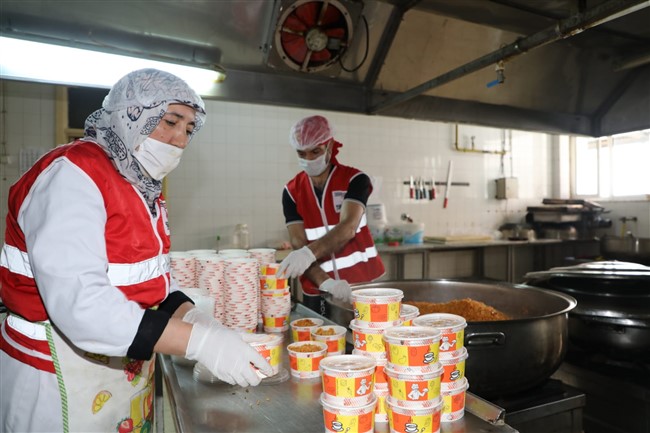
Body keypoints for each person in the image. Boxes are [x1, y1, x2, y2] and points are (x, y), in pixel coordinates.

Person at [0, 69, 272, 433]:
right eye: (170, 121)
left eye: (189, 129)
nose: (179, 139)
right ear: (131, 113)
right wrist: (199, 342)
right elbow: (83, 308)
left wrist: (196, 320)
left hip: (118, 373)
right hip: (53, 377)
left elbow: (153, 279)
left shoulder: (142, 187)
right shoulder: (73, 176)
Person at [279, 115, 385, 315]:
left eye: (315, 151)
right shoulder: (291, 191)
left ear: (330, 146)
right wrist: (326, 282)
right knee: (320, 341)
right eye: (302, 153)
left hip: (362, 283)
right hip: (317, 287)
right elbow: (298, 241)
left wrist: (308, 253)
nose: (309, 159)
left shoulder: (354, 179)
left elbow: (349, 226)